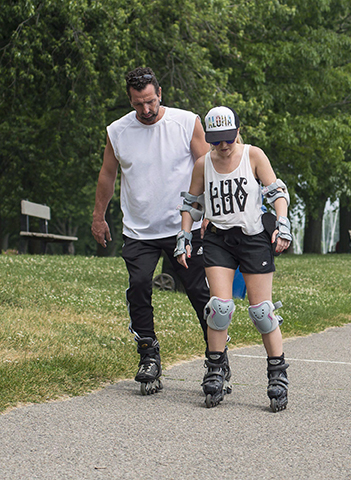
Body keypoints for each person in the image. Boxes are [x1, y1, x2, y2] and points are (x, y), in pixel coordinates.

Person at [92, 67, 211, 395]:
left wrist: (211, 213)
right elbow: (107, 174)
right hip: (139, 229)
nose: (145, 110)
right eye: (137, 104)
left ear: (160, 93)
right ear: (129, 100)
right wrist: (98, 217)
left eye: (150, 101)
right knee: (139, 286)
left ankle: (217, 357)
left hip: (183, 226)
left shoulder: (186, 122)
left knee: (199, 292)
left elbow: (207, 166)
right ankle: (148, 355)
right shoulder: (118, 131)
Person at [176, 106, 292, 411]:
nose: (223, 146)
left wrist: (282, 222)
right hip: (218, 239)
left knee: (262, 312)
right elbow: (191, 203)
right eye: (216, 141)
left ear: (238, 132)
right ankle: (215, 369)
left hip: (253, 239)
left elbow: (276, 191)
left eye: (228, 139)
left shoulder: (254, 156)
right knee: (220, 308)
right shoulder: (203, 163)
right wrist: (185, 236)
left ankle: (277, 373)